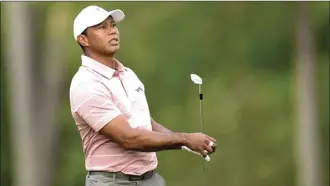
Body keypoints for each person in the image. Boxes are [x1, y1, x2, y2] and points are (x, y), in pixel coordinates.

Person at [69, 5, 217, 186]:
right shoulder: (86, 84)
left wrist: (187, 144)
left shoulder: (128, 74)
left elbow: (145, 123)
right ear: (83, 39)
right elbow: (128, 138)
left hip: (150, 179)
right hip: (112, 182)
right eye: (102, 28)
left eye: (113, 25)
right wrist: (185, 138)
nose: (112, 31)